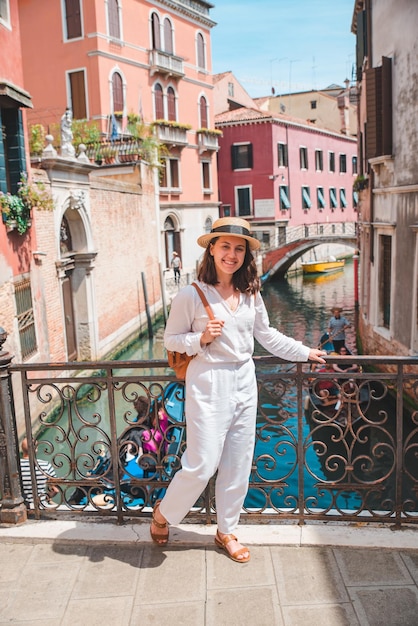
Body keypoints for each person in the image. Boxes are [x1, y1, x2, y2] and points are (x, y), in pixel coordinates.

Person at [151, 217, 326, 562]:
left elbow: (267, 335)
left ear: (246, 255)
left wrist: (304, 352)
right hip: (208, 381)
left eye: (239, 248)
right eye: (225, 246)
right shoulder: (191, 293)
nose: (232, 254)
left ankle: (226, 530)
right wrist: (200, 338)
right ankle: (163, 514)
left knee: (238, 462)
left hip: (245, 380)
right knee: (201, 464)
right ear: (212, 249)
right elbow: (170, 340)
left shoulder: (250, 292)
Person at [20, 438, 59, 507]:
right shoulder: (46, 466)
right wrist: (46, 497)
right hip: (41, 505)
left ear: (22, 449)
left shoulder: (16, 467)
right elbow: (55, 490)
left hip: (22, 507)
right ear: (36, 449)